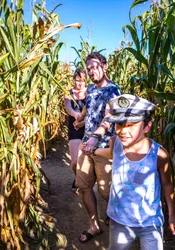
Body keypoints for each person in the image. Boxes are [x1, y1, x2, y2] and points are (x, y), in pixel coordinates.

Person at [93, 94, 175, 250]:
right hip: (119, 220)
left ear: (146, 126)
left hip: (150, 223)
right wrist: (94, 151)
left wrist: (172, 215)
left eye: (131, 125)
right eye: (119, 125)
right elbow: (112, 154)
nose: (123, 131)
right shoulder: (115, 143)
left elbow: (167, 185)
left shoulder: (159, 155)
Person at [74, 52, 121, 243]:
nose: (92, 71)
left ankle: (116, 215)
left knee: (105, 191)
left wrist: (95, 137)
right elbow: (89, 107)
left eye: (95, 67)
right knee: (84, 186)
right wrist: (81, 119)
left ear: (105, 66)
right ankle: (94, 225)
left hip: (103, 148)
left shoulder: (113, 91)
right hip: (87, 146)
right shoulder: (92, 90)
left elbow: (108, 118)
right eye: (89, 69)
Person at [64, 68, 87, 191]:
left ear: (85, 81)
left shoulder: (90, 93)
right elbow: (68, 108)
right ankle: (78, 178)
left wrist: (83, 121)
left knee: (84, 159)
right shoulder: (69, 93)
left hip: (88, 127)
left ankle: (83, 182)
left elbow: (93, 110)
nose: (79, 84)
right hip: (74, 127)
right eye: (77, 80)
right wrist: (76, 116)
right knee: (74, 162)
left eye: (82, 81)